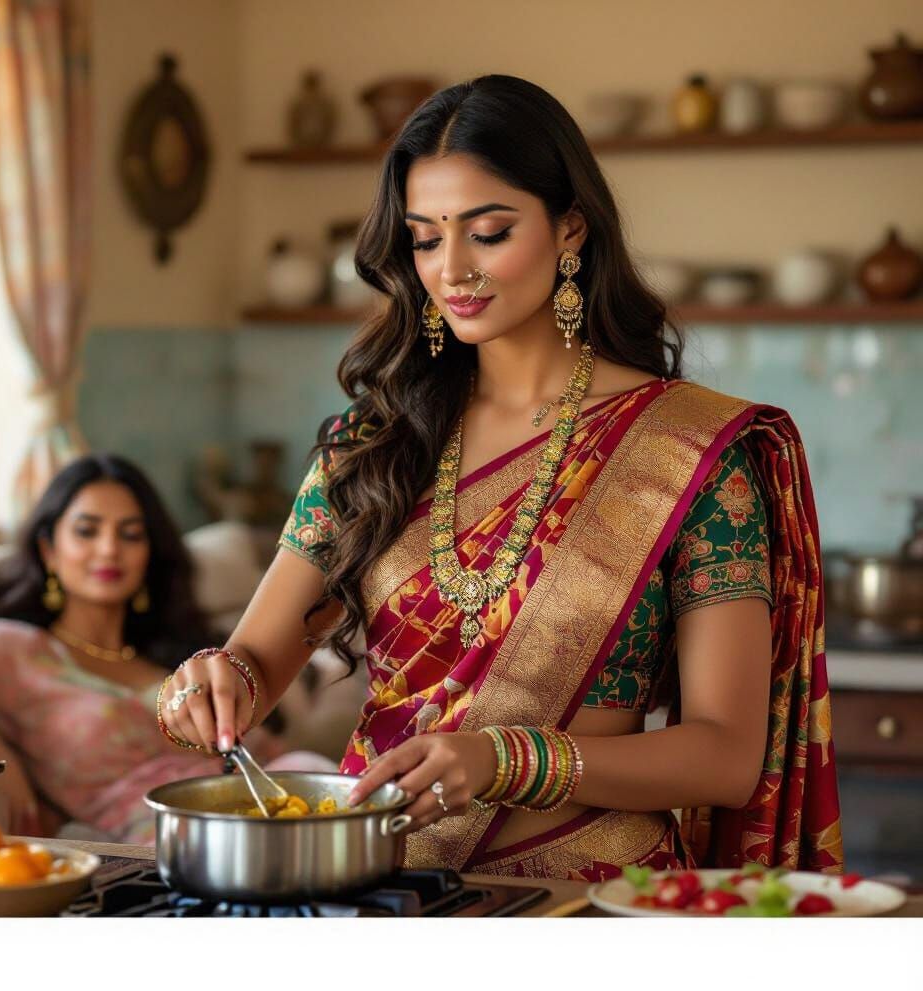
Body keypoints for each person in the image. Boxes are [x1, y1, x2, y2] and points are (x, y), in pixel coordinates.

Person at [158, 75, 842, 880]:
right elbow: (255, 665)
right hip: (380, 878)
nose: (452, 271)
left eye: (487, 232)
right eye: (424, 239)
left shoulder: (691, 451)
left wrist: (505, 759)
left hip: (592, 896)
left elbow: (727, 758)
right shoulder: (375, 445)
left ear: (570, 230)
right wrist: (208, 685)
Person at [0, 453, 306, 844]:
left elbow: (266, 745)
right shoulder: (8, 648)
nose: (110, 549)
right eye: (87, 530)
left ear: (149, 553)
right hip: (167, 837)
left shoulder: (177, 652)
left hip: (274, 801)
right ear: (49, 550)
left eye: (130, 534)